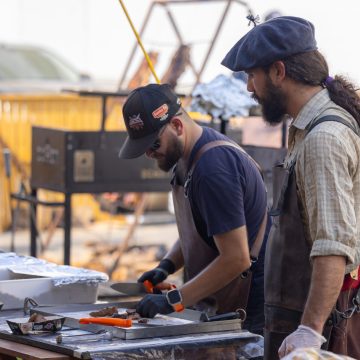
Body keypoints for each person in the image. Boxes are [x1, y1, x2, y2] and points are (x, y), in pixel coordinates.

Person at [222, 16, 360, 359]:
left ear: (279, 72)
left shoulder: (324, 138)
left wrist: (309, 332)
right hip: (299, 310)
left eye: (252, 76)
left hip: (323, 323)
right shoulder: (306, 129)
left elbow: (334, 246)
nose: (250, 88)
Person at [118, 83, 270, 335]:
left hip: (246, 315)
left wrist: (173, 300)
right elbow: (201, 229)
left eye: (154, 144)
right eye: (143, 148)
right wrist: (166, 265)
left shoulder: (213, 169)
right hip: (217, 306)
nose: (149, 154)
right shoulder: (185, 155)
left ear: (177, 126)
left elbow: (236, 258)